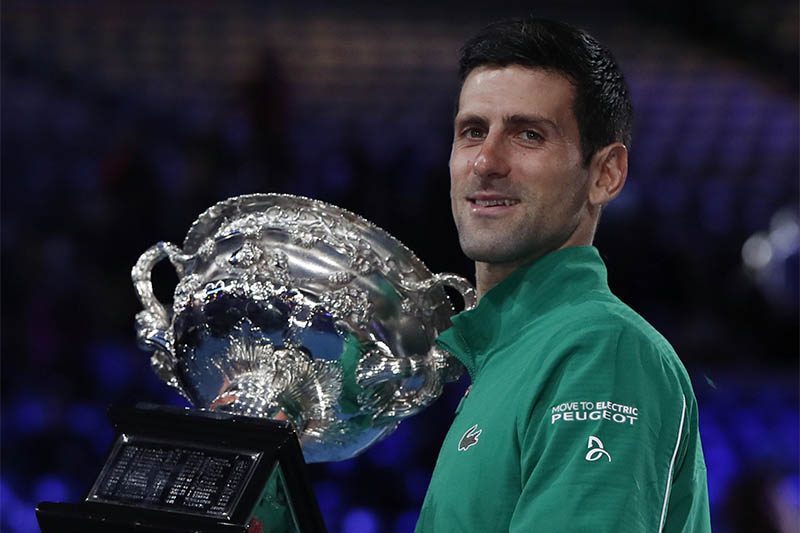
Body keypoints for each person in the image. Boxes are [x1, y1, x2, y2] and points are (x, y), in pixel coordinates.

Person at [415, 17, 712, 532]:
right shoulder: (505, 356)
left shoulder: (601, 350)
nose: (486, 160)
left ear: (605, 174)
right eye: (472, 131)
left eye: (528, 134)